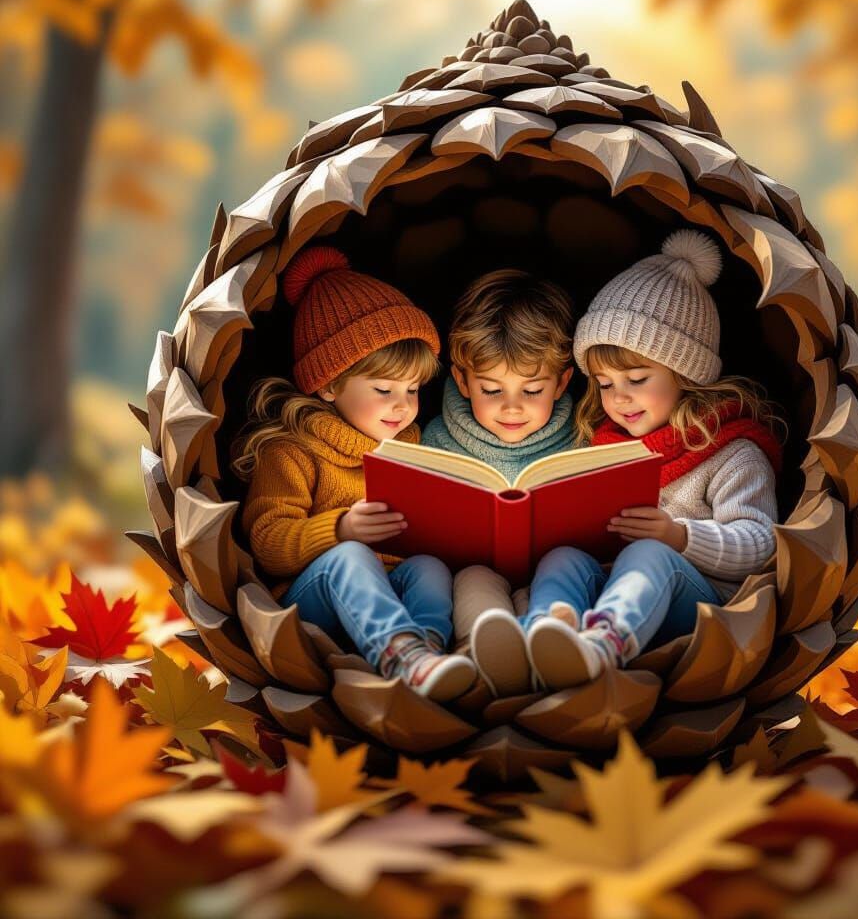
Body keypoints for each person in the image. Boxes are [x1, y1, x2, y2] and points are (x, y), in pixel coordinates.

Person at [524, 229, 787, 689]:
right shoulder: (606, 448)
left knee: (650, 552)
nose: (619, 398)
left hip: (699, 610)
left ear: (684, 372)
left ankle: (600, 647)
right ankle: (544, 639)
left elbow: (760, 544)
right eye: (604, 384)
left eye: (637, 378)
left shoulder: (731, 452)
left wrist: (679, 536)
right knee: (563, 558)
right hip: (611, 588)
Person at [234, 246, 476, 701]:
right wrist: (341, 528)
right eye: (383, 390)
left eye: (412, 389)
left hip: (392, 592)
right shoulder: (291, 451)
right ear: (328, 384)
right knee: (352, 557)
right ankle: (402, 654)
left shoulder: (412, 444)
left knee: (428, 567)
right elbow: (267, 543)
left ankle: (427, 653)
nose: (402, 406)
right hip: (313, 599)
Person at [421, 269, 579, 695]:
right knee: (472, 583)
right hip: (472, 569)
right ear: (462, 381)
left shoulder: (584, 438)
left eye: (531, 391)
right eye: (491, 390)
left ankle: (545, 653)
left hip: (554, 574)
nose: (512, 409)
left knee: (547, 590)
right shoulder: (434, 440)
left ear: (562, 382)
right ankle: (483, 656)